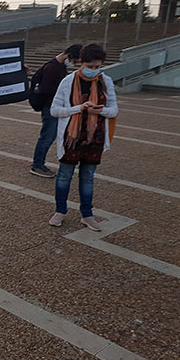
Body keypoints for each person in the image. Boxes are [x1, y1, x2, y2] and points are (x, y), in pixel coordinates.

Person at [49, 44, 118, 231]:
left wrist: (101, 110)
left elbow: (114, 110)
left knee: (88, 177)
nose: (94, 70)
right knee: (64, 175)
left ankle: (87, 215)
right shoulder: (67, 81)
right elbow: (54, 110)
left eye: (97, 67)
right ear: (81, 62)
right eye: (90, 66)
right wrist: (78, 108)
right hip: (72, 137)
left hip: (95, 137)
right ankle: (60, 211)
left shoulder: (106, 81)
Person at [30, 44, 82, 178]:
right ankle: (37, 165)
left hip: (53, 106)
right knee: (47, 137)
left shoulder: (58, 66)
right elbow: (46, 89)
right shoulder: (53, 68)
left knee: (49, 136)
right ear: (69, 56)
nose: (74, 64)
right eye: (75, 61)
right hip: (50, 107)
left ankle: (39, 163)